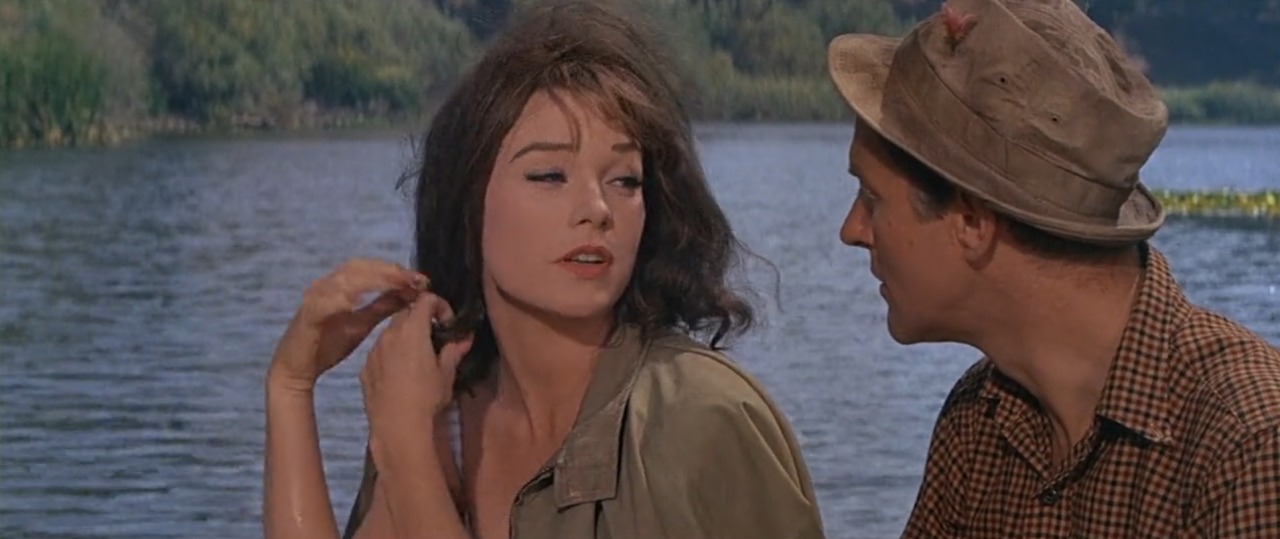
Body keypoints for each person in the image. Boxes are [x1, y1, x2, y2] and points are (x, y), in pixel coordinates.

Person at [262, 2, 827, 539]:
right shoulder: (432, 403)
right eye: (550, 176)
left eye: (624, 180)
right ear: (468, 201)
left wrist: (408, 458)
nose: (597, 209)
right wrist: (291, 385)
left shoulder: (703, 418)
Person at [824, 0, 1280, 536]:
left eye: (871, 197)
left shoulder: (1249, 445)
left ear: (971, 220)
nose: (852, 230)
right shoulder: (978, 420)